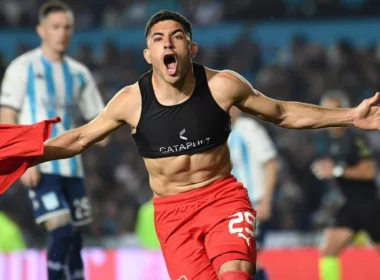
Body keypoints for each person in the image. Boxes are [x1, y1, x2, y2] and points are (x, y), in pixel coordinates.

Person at [26, 10, 380, 280]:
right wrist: (26, 155)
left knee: (235, 272)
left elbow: (282, 113)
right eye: (158, 38)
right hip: (172, 215)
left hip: (222, 199)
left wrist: (351, 115)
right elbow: (80, 137)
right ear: (148, 54)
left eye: (177, 36)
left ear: (190, 48)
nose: (168, 43)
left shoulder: (223, 85)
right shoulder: (130, 101)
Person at [0, 1, 106, 280]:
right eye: (55, 27)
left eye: (67, 27)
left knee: (76, 237)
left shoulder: (79, 74)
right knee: (60, 228)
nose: (62, 33)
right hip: (40, 164)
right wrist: (22, 159)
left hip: (73, 168)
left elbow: (100, 118)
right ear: (41, 30)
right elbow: (7, 113)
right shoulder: (22, 67)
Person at [311, 90, 380, 280]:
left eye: (333, 110)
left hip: (370, 206)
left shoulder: (355, 138)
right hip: (350, 206)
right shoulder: (331, 140)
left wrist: (337, 171)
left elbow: (369, 171)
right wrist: (327, 169)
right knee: (328, 252)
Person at [228, 107, 278, 280]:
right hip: (231, 207)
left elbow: (270, 163)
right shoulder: (220, 133)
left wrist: (266, 201)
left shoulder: (249, 129)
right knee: (237, 259)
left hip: (252, 203)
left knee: (248, 258)